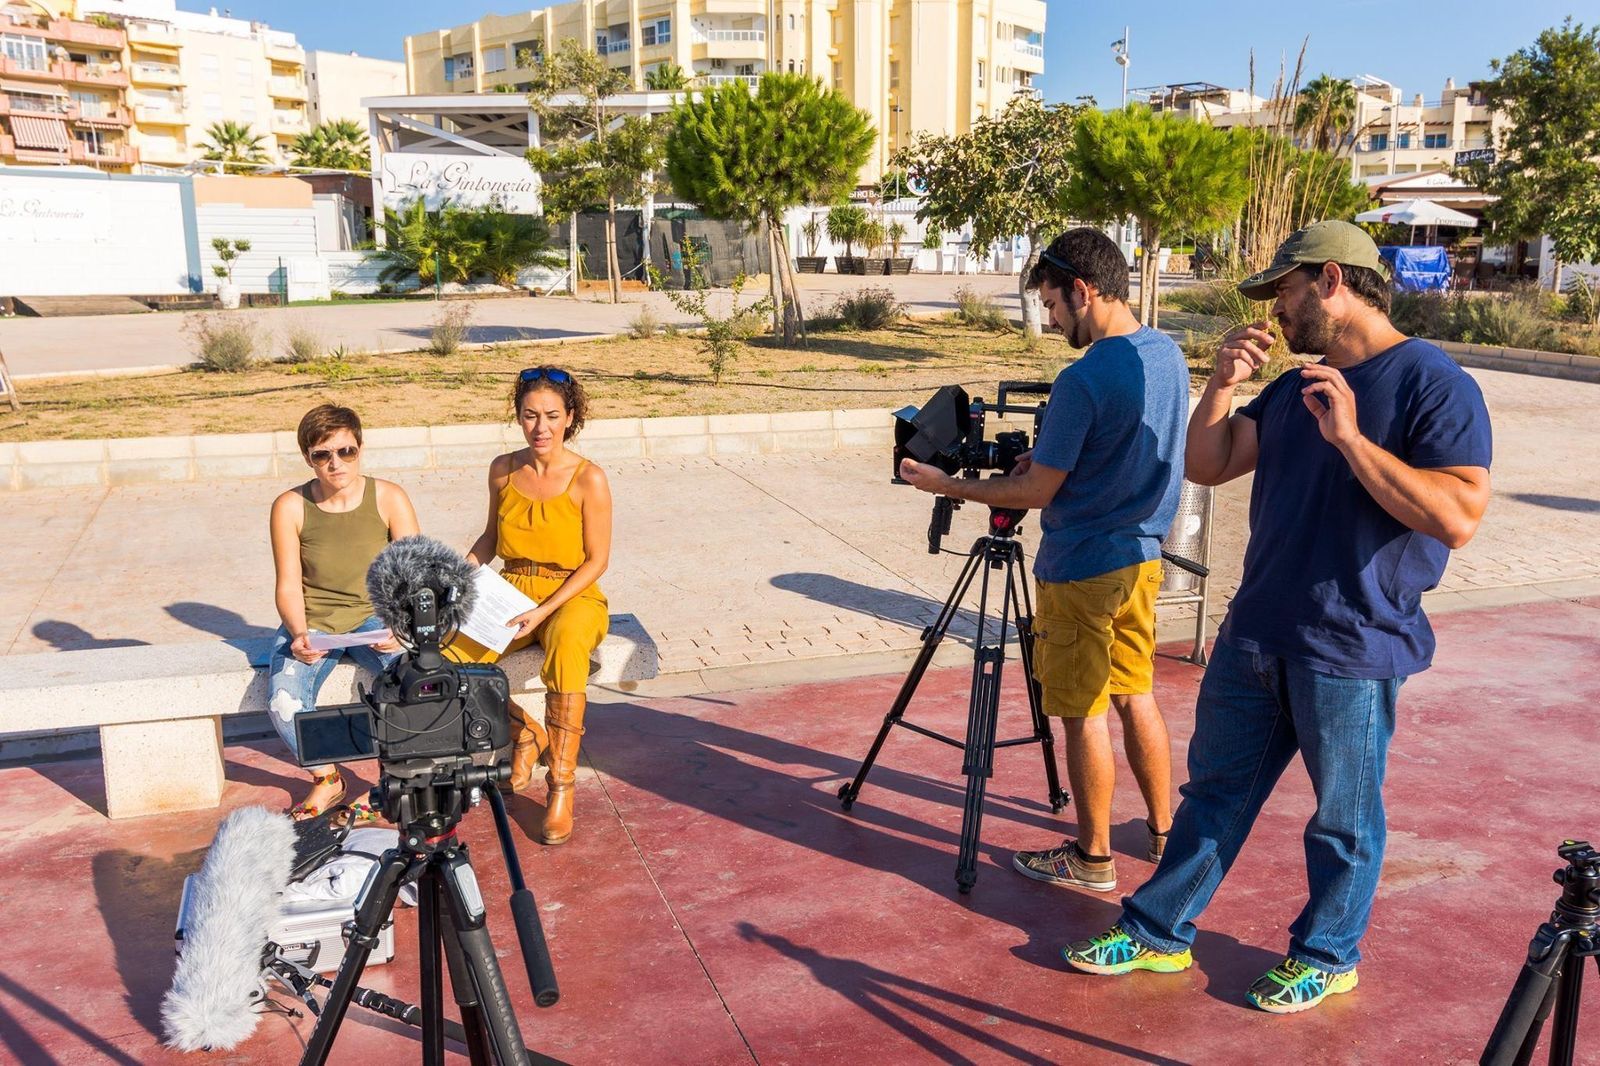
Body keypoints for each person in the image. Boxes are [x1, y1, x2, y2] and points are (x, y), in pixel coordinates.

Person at [1063, 221, 1493, 1014]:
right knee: (1213, 796)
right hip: (1257, 630)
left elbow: (1459, 516)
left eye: (1285, 292)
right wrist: (1221, 386)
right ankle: (1158, 931)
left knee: (1343, 821)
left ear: (1332, 281)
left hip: (1353, 643)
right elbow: (1209, 463)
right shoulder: (1298, 385)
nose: (1276, 311)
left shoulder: (1434, 383)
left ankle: (1327, 955)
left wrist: (1351, 440)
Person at [899, 227, 1190, 894]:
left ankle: (1092, 859)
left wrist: (949, 486)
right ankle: (1163, 833)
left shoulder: (1082, 379)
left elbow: (1034, 493)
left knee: (1082, 711)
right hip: (1142, 561)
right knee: (1135, 694)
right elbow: (1118, 446)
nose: (1053, 321)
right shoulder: (1166, 354)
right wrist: (1053, 457)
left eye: (1054, 305)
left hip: (1083, 567)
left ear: (1083, 291)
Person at [447, 366, 612, 846]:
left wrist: (543, 611)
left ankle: (560, 787)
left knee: (567, 645)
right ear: (518, 417)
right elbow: (490, 539)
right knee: (447, 658)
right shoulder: (502, 469)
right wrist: (458, 577)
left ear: (570, 417)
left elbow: (597, 561)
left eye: (552, 416)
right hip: (512, 587)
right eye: (530, 415)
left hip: (573, 593)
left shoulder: (589, 478)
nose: (541, 427)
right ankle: (524, 732)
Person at [268, 403, 420, 820]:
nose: (336, 463)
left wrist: (400, 625)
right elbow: (287, 583)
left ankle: (394, 786)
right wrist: (299, 633)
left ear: (360, 448)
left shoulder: (389, 497)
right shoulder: (290, 506)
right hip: (315, 621)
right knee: (282, 702)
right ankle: (328, 778)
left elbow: (413, 573)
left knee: (418, 687)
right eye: (323, 455)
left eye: (346, 451)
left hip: (378, 619)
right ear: (308, 458)